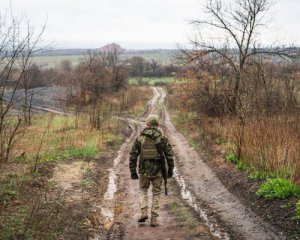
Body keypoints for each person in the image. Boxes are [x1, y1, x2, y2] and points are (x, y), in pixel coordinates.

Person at [129, 114, 174, 227]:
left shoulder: (140, 138)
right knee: (157, 192)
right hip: (158, 171)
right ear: (158, 125)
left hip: (144, 171)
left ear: (147, 124)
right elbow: (169, 155)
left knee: (143, 189)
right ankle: (154, 219)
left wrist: (133, 171)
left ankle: (144, 212)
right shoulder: (162, 139)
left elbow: (133, 156)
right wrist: (170, 169)